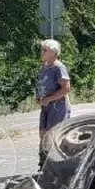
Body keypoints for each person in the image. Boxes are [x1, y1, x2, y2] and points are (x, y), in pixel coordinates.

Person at [36, 39, 72, 169]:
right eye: (42, 49)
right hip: (45, 106)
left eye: (45, 50)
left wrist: (49, 99)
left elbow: (66, 88)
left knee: (54, 135)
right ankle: (43, 164)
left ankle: (57, 165)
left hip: (58, 106)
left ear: (53, 52)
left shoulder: (59, 67)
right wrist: (39, 97)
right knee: (43, 133)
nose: (42, 52)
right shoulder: (45, 66)